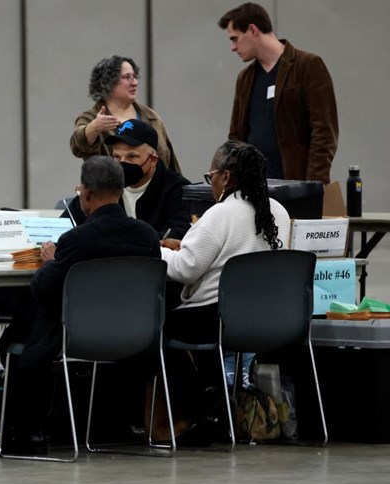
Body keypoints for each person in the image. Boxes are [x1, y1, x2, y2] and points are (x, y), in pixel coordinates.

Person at [2, 155, 161, 451]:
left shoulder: (77, 239)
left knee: (19, 333)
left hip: (80, 339)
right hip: (136, 341)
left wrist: (50, 261)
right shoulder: (148, 236)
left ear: (85, 193)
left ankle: (27, 430)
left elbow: (44, 290)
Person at [159, 140, 291, 431]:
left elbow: (184, 268)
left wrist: (152, 250)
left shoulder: (220, 214)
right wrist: (185, 245)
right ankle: (217, 398)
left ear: (226, 177)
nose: (211, 185)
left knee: (153, 327)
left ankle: (202, 406)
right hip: (268, 318)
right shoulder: (278, 211)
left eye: (211, 177)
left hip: (219, 319)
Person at [218, 2, 338, 183]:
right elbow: (236, 137)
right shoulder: (245, 78)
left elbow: (324, 133)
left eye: (235, 39)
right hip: (254, 190)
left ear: (252, 30)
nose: (233, 47)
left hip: (295, 187)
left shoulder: (307, 66)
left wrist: (312, 185)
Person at [64, 119, 191, 241]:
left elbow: (176, 235)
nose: (122, 163)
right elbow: (64, 227)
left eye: (132, 156)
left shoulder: (178, 189)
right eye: (117, 157)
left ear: (152, 160)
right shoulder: (104, 183)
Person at [70, 55, 180, 172]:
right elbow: (78, 145)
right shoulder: (91, 118)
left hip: (159, 190)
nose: (135, 82)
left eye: (135, 76)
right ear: (108, 83)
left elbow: (171, 165)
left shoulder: (151, 118)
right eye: (127, 77)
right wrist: (95, 127)